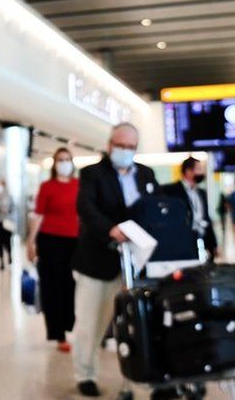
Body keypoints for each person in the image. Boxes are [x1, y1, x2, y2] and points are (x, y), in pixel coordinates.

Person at [72, 123, 159, 397]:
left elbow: (155, 206)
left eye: (131, 147)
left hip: (137, 261)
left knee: (140, 321)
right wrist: (111, 230)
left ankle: (144, 372)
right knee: (91, 323)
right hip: (99, 259)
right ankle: (85, 374)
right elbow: (86, 208)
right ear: (110, 145)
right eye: (121, 145)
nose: (125, 151)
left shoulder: (146, 174)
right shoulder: (92, 173)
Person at [27, 147, 79, 353]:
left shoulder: (79, 185)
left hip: (74, 242)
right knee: (52, 288)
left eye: (67, 159)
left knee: (71, 287)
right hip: (50, 242)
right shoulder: (47, 186)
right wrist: (30, 243)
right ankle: (58, 334)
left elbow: (84, 215)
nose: (64, 163)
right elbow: (38, 216)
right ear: (54, 163)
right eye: (60, 160)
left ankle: (69, 323)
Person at [162, 156, 219, 260]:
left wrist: (213, 245)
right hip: (182, 242)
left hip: (201, 241)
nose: (202, 173)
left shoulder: (201, 193)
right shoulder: (170, 191)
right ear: (188, 171)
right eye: (199, 169)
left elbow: (206, 218)